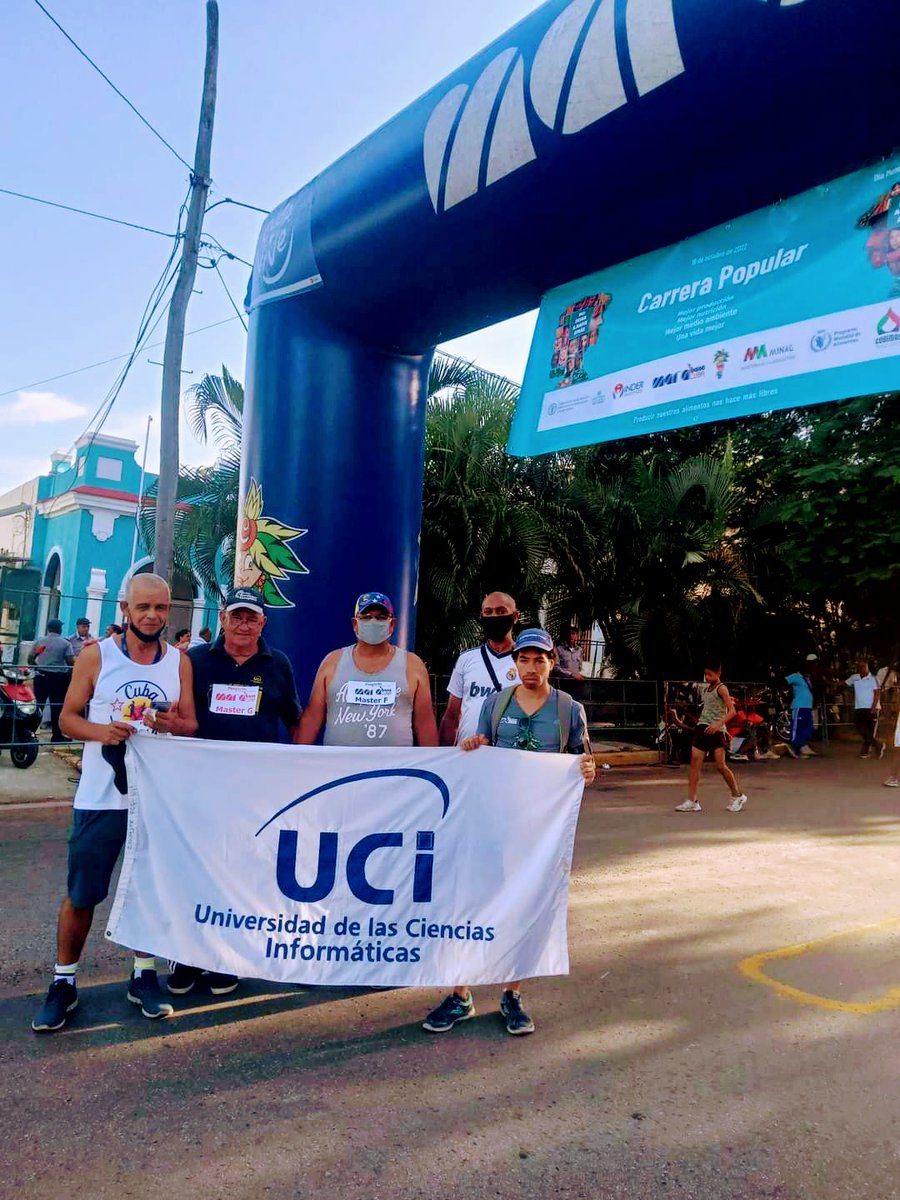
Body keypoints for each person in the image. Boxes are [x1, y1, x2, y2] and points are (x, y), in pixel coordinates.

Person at [31, 574, 198, 1033]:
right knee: (83, 892)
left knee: (148, 888)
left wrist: (169, 724)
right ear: (125, 608)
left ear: (168, 612)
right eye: (143, 607)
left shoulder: (178, 662)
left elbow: (190, 724)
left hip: (156, 798)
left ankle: (143, 974)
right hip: (101, 796)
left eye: (161, 609)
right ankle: (64, 982)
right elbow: (66, 719)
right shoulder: (95, 655)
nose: (152, 616)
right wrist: (102, 731)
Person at [423, 628, 595, 1037]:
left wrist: (587, 771)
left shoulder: (569, 710)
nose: (530, 668)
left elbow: (582, 762)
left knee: (524, 909)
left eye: (539, 660)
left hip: (538, 832)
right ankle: (460, 994)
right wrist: (473, 745)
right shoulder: (495, 704)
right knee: (472, 904)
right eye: (523, 660)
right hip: (491, 823)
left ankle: (511, 994)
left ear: (552, 662)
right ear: (514, 663)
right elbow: (479, 750)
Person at [166, 586, 303, 997]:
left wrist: (310, 768)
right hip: (199, 786)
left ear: (264, 623)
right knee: (194, 869)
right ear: (223, 618)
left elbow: (294, 720)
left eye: (252, 618)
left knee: (238, 872)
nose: (244, 624)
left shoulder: (276, 664)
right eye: (237, 616)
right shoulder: (195, 661)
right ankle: (186, 955)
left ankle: (224, 957)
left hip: (252, 792)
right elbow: (177, 713)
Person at [296, 592, 438, 747]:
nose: (373, 621)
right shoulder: (332, 662)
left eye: (381, 617)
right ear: (355, 623)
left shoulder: (412, 665)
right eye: (366, 617)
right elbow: (312, 719)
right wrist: (295, 761)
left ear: (392, 624)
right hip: (340, 769)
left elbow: (425, 724)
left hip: (393, 768)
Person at [438, 591, 520, 746]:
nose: (494, 616)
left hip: (509, 756)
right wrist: (443, 757)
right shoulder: (466, 659)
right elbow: (451, 716)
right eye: (488, 612)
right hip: (467, 754)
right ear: (481, 616)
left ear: (515, 616)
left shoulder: (525, 662)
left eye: (501, 611)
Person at [675, 659, 748, 813]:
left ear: (718, 673)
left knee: (721, 766)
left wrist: (718, 726)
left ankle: (737, 795)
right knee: (694, 764)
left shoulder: (722, 689)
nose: (707, 677)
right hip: (702, 729)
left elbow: (732, 711)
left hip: (715, 732)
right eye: (705, 674)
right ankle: (692, 800)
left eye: (710, 674)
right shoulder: (707, 689)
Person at [30, 618, 74, 742]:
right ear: (59, 629)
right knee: (57, 706)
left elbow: (30, 658)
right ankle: (56, 735)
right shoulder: (65, 643)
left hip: (40, 676)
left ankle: (30, 733)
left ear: (48, 629)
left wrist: (38, 666)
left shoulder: (39, 641)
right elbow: (70, 662)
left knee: (38, 705)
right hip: (58, 678)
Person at [845, 661, 883, 759]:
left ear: (867, 667)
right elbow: (845, 684)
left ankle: (865, 751)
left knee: (869, 730)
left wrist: (874, 707)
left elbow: (877, 693)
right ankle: (877, 744)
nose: (862, 668)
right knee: (860, 728)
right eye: (860, 666)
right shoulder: (855, 677)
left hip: (871, 708)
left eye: (864, 666)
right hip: (859, 707)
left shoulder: (873, 678)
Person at [784, 663, 816, 758]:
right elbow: (784, 681)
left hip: (807, 707)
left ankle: (799, 746)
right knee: (797, 729)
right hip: (799, 706)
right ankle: (795, 748)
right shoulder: (795, 676)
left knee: (809, 729)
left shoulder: (806, 679)